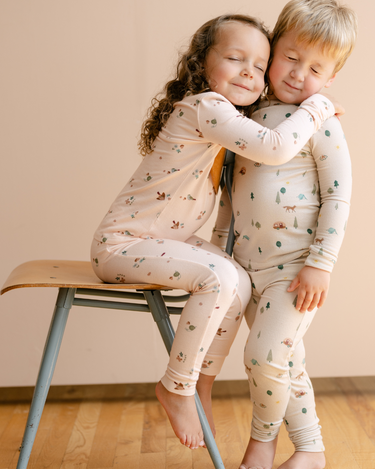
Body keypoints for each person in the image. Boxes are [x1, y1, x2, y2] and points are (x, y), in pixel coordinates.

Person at [90, 13, 341, 451]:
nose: (249, 71)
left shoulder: (230, 124)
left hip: (161, 244)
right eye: (234, 57)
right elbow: (276, 147)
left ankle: (200, 384)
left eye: (259, 65)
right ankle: (177, 385)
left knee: (235, 280)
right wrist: (316, 106)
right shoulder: (207, 107)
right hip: (123, 244)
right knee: (222, 278)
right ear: (202, 63)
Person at [203, 1, 357, 468]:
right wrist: (218, 252)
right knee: (283, 361)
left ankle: (262, 445)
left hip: (295, 271)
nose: (297, 74)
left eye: (315, 68)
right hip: (248, 268)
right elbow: (230, 194)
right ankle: (310, 449)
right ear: (272, 50)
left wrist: (320, 264)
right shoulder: (244, 116)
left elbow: (338, 196)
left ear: (330, 79)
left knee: (263, 354)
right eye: (291, 57)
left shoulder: (319, 120)